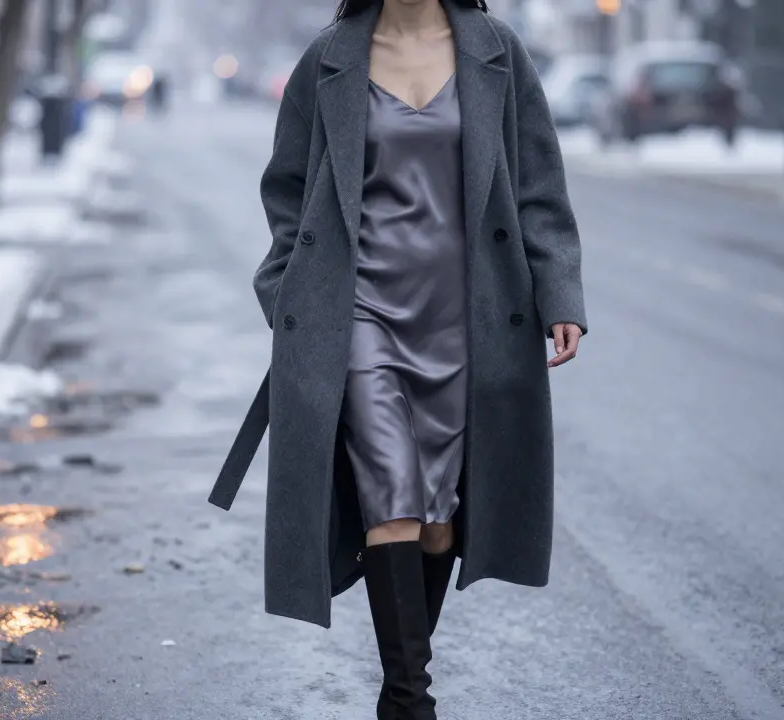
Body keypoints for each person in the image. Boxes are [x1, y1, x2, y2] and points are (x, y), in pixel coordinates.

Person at [209, 0, 586, 716]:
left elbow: (540, 188)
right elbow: (286, 188)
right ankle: (413, 701)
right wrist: (290, 292)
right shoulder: (331, 57)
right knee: (390, 489)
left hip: (467, 320)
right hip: (361, 315)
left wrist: (560, 292)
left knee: (439, 519)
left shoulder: (496, 52)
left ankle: (399, 683)